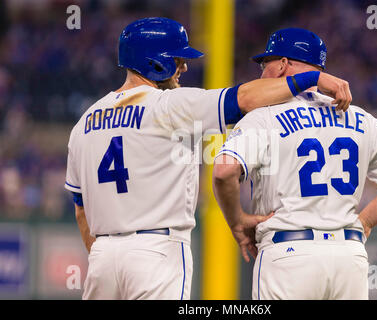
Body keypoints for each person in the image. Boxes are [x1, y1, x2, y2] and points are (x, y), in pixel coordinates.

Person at [64, 18, 352, 300]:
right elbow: (246, 98)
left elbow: (81, 211)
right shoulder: (169, 105)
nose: (184, 67)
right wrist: (312, 78)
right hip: (156, 251)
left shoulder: (84, 123)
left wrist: (110, 259)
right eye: (178, 60)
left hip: (102, 258)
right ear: (156, 62)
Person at [212, 28, 377, 300]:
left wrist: (237, 221)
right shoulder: (358, 117)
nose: (261, 74)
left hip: (289, 254)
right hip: (349, 257)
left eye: (265, 64)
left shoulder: (263, 117)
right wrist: (366, 220)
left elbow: (223, 170)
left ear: (282, 65)